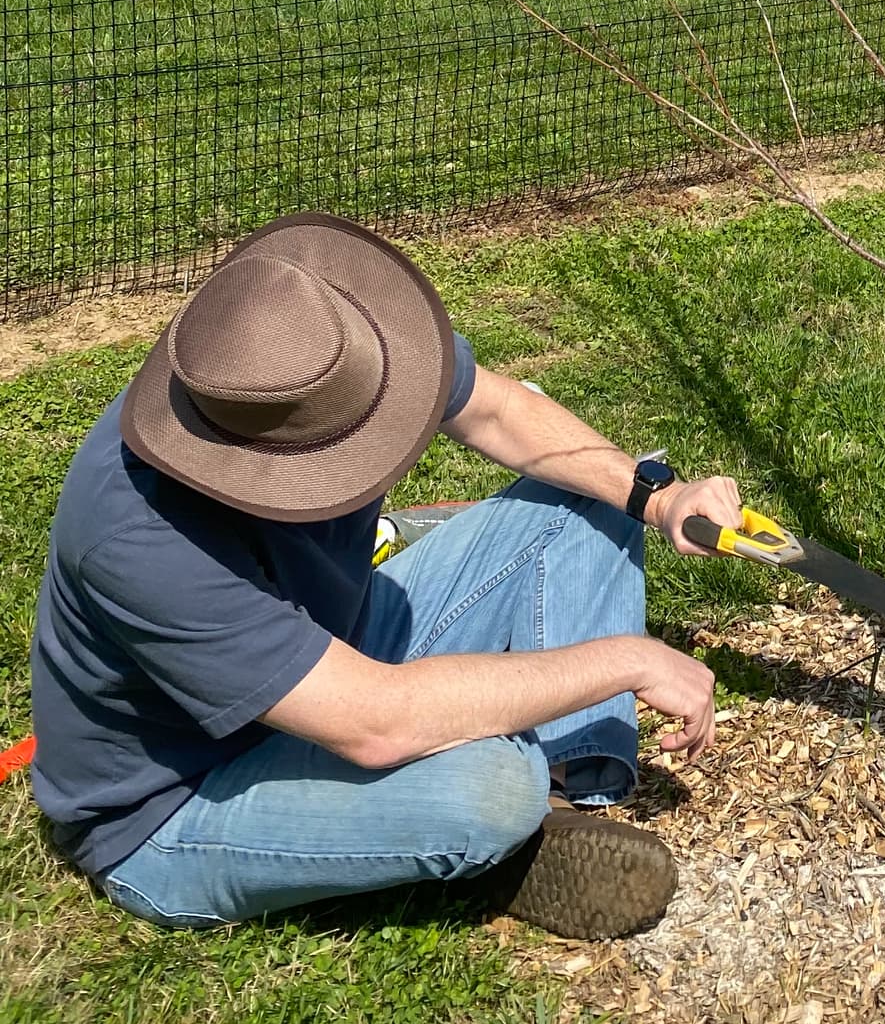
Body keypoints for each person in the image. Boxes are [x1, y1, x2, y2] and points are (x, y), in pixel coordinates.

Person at [30, 212, 743, 940]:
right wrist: (626, 660)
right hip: (178, 804)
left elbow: (498, 409)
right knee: (490, 788)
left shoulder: (332, 348)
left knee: (590, 499)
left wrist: (658, 499)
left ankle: (558, 794)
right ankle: (511, 817)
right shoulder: (138, 537)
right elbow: (376, 723)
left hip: (333, 646)